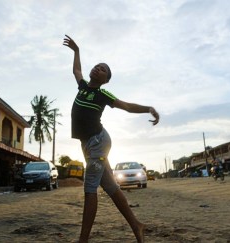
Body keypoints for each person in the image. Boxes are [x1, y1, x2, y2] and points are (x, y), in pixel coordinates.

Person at [63, 34, 159, 243]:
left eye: (103, 69)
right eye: (97, 65)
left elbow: (127, 106)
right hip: (87, 144)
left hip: (98, 143)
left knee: (90, 190)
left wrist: (148, 109)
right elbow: (76, 70)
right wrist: (77, 51)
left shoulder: (103, 94)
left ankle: (83, 240)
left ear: (106, 79)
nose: (98, 68)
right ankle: (137, 226)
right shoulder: (83, 87)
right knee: (111, 187)